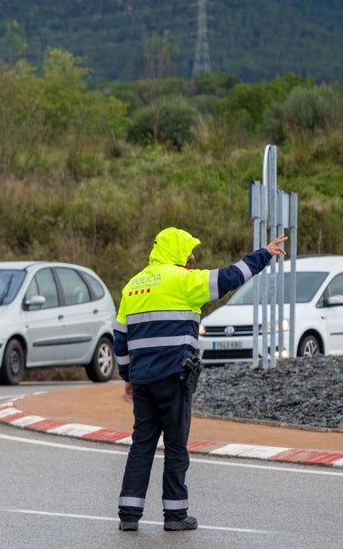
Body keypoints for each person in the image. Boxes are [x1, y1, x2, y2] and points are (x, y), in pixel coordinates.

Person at [114, 227, 287, 531]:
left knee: (141, 445)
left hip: (142, 381)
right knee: (176, 446)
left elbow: (120, 338)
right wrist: (264, 255)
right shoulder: (183, 280)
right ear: (176, 250)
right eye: (189, 250)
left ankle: (129, 514)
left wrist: (127, 376)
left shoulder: (133, 285)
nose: (193, 256)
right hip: (173, 376)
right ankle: (175, 515)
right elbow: (230, 277)